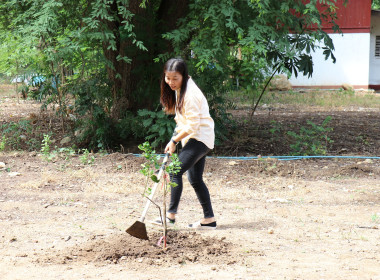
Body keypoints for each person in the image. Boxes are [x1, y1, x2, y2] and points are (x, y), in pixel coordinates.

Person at [153, 58, 216, 229]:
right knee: (195, 178)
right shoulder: (181, 88)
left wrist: (174, 140)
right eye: (168, 78)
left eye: (175, 78)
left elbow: (194, 126)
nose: (171, 82)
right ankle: (209, 220)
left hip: (200, 138)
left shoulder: (191, 95)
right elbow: (184, 120)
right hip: (197, 137)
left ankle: (170, 217)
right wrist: (175, 135)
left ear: (184, 76)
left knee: (174, 172)